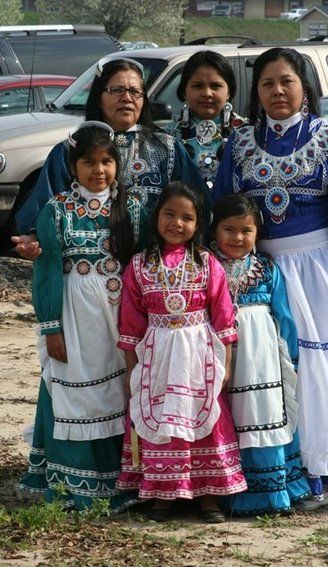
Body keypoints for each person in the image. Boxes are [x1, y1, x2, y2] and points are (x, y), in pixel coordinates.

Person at [214, 47, 328, 506]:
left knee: (322, 368)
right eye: (267, 83)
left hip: (319, 269)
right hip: (261, 272)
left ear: (305, 86)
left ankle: (321, 467)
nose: (277, 91)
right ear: (257, 92)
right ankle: (273, 470)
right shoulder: (241, 143)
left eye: (286, 80)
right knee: (268, 369)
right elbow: (224, 210)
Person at [19, 122, 149, 511]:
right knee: (73, 387)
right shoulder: (56, 210)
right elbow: (47, 273)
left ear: (117, 164)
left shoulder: (134, 208)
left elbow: (141, 268)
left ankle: (122, 476)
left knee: (120, 390)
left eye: (107, 161)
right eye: (89, 162)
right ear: (72, 166)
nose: (99, 170)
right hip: (74, 314)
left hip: (120, 315)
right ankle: (72, 482)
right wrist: (51, 328)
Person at [115, 181, 247, 523]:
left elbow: (223, 315)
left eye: (186, 217)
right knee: (160, 417)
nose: (177, 223)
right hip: (157, 353)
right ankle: (162, 494)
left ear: (198, 223)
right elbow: (130, 321)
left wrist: (227, 362)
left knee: (204, 415)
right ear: (156, 216)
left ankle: (208, 496)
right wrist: (132, 368)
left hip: (198, 354)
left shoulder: (206, 263)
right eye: (169, 214)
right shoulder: (140, 264)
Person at [13, 55, 209, 259]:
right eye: (117, 90)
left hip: (154, 270)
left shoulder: (167, 148)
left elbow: (197, 204)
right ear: (98, 96)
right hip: (86, 268)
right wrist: (33, 237)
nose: (127, 98)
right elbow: (42, 206)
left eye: (135, 91)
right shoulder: (71, 149)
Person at [211, 194, 310, 515]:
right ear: (214, 229)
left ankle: (272, 492)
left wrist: (291, 356)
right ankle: (228, 489)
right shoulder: (205, 264)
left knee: (264, 415)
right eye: (229, 229)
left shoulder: (267, 267)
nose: (237, 238)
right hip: (220, 354)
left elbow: (283, 314)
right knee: (229, 417)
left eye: (246, 231)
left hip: (263, 358)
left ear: (257, 233)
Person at [166, 50, 245, 192]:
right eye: (197, 86)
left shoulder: (247, 133)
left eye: (215, 86)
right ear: (184, 91)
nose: (207, 93)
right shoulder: (167, 137)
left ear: (228, 92)